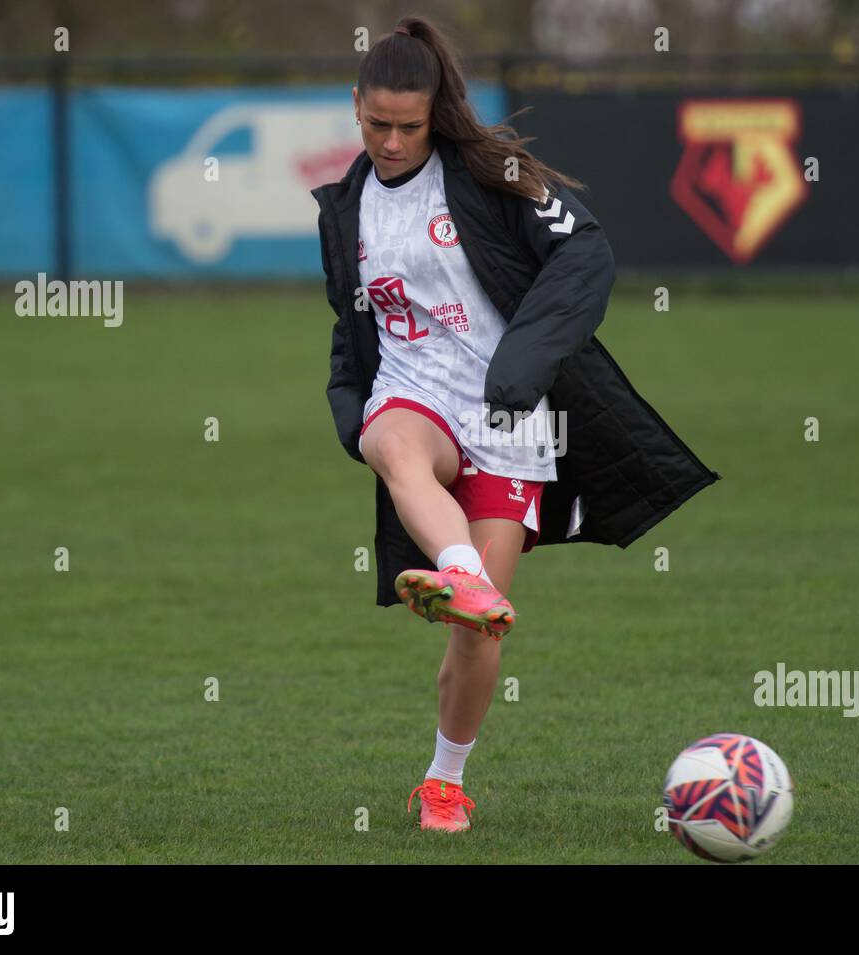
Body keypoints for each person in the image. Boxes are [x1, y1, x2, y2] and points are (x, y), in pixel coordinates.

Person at [312, 16, 720, 833]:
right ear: (355, 106)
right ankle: (457, 568)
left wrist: (525, 360)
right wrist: (347, 400)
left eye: (408, 126)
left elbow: (585, 254)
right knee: (389, 443)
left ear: (438, 115)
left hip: (507, 412)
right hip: (412, 392)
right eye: (376, 123)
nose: (391, 141)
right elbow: (349, 322)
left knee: (480, 631)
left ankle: (443, 781)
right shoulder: (344, 207)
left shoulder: (491, 171)